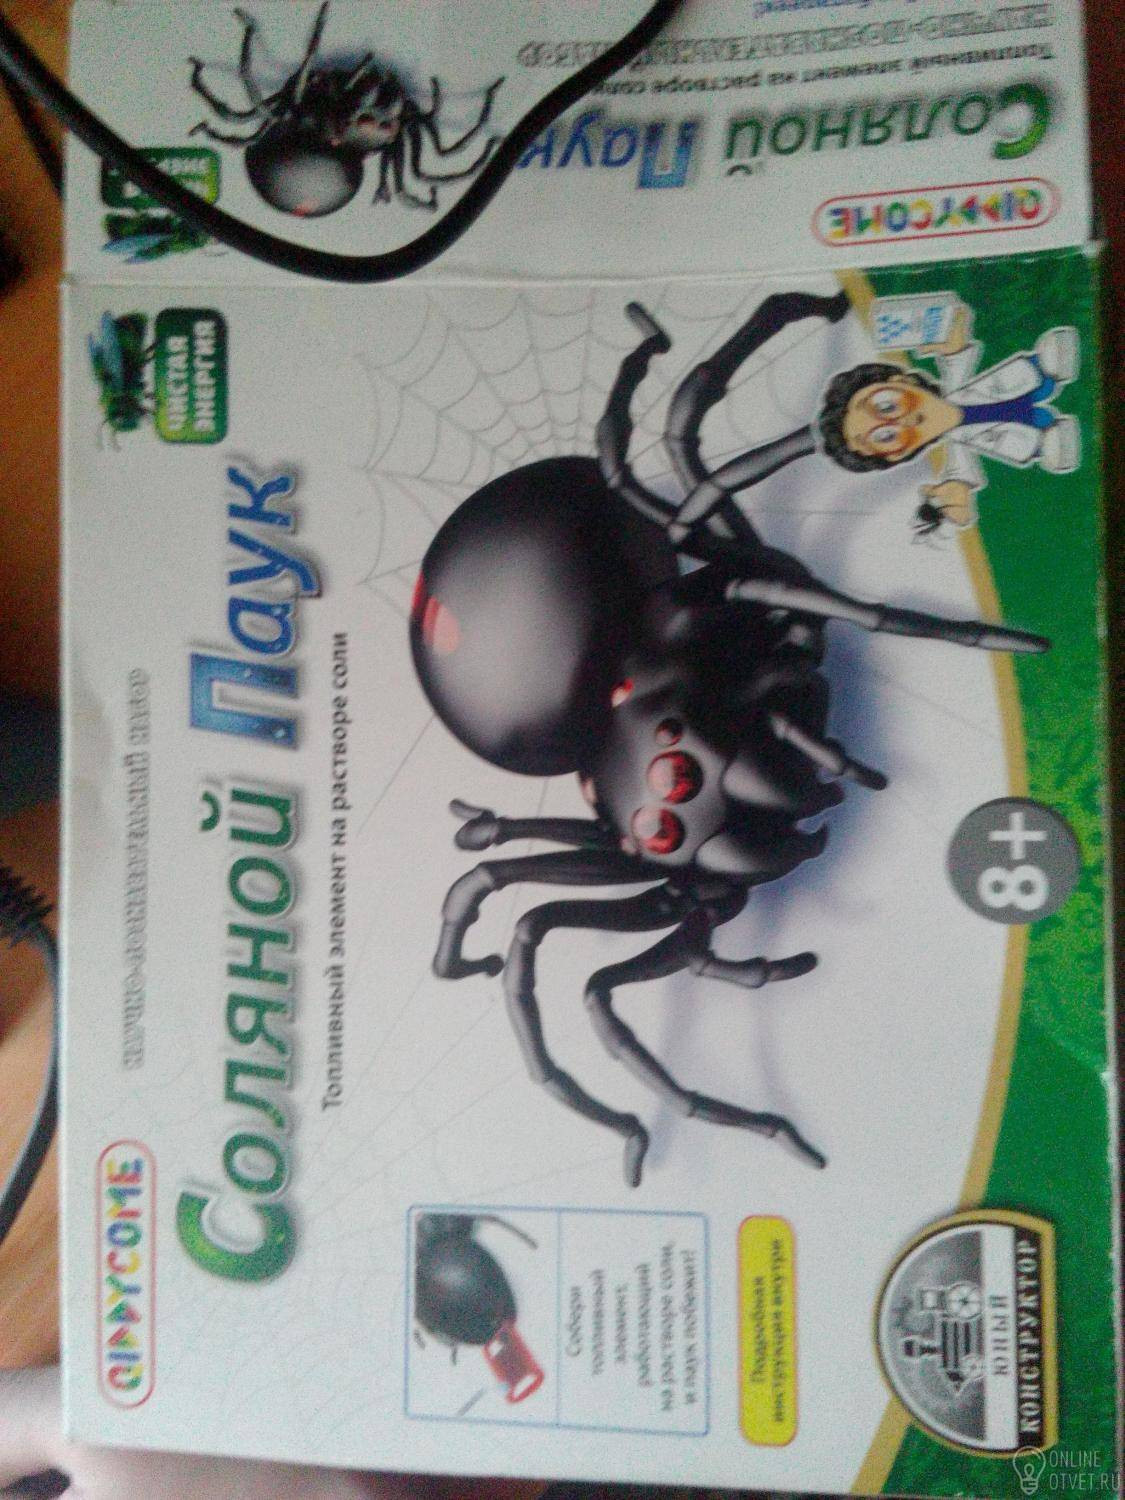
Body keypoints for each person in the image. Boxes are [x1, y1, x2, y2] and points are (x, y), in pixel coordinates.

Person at [816, 304, 1080, 530]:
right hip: (1031, 433)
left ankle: (1047, 367)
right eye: (885, 436)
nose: (904, 421)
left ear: (900, 381)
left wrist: (951, 334)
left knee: (1041, 366)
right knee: (1049, 446)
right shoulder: (957, 450)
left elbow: (955, 354)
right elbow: (959, 478)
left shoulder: (954, 383)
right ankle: (1049, 438)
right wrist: (955, 498)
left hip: (1029, 379)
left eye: (886, 406)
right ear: (896, 454)